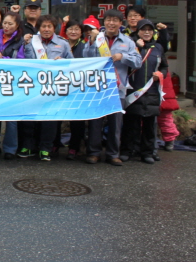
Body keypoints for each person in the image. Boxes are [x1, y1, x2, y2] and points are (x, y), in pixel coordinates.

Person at [83, 9, 143, 166]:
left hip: (118, 88)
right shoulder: (97, 39)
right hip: (97, 88)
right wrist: (91, 42)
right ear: (104, 22)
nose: (111, 23)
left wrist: (122, 56)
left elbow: (138, 62)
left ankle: (113, 154)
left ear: (120, 23)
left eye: (115, 20)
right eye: (108, 20)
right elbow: (85, 58)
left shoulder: (128, 42)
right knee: (95, 122)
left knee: (115, 123)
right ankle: (94, 153)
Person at [22, 14, 73, 161]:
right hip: (33, 86)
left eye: (49, 26)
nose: (46, 29)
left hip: (53, 88)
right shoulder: (31, 41)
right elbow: (22, 60)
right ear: (39, 28)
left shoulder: (63, 43)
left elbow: (73, 64)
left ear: (54, 28)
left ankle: (45, 148)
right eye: (43, 26)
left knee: (49, 119)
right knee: (29, 118)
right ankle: (28, 146)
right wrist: (24, 44)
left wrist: (63, 61)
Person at [121, 19, 168, 164]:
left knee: (149, 125)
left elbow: (164, 67)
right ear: (138, 31)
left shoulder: (158, 47)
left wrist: (161, 75)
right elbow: (126, 63)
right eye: (143, 30)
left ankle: (147, 152)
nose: (147, 32)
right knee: (131, 124)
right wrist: (138, 48)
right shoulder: (131, 45)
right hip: (134, 91)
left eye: (150, 30)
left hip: (152, 91)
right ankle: (127, 150)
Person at [0, 12, 25, 160]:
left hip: (12, 82)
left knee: (11, 118)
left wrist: (3, 58)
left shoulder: (21, 41)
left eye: (10, 24)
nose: (6, 26)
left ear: (17, 25)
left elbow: (22, 61)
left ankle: (10, 149)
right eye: (5, 23)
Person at [62, 18, 88, 160]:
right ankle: (55, 144)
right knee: (57, 116)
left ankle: (74, 147)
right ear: (65, 31)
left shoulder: (85, 47)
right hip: (60, 86)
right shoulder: (61, 44)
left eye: (76, 29)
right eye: (70, 29)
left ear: (81, 32)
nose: (73, 32)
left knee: (77, 119)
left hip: (78, 87)